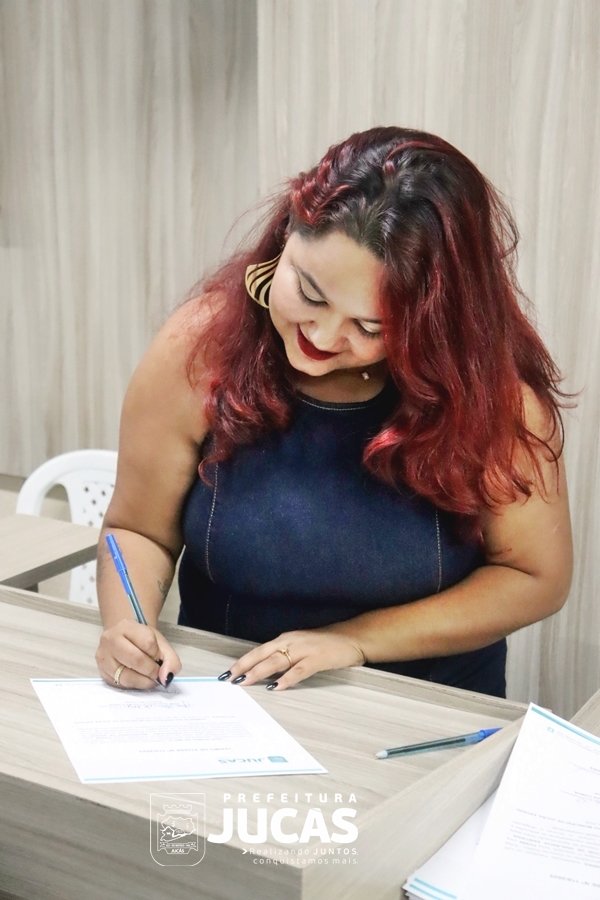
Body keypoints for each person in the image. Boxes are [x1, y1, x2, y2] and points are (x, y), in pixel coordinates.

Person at [95, 126, 573, 699]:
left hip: (422, 710)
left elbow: (535, 577)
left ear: (432, 325)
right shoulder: (200, 349)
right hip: (227, 697)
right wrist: (129, 627)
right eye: (309, 293)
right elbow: (137, 529)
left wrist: (353, 641)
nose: (320, 337)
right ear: (287, 235)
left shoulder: (493, 401)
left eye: (370, 327)